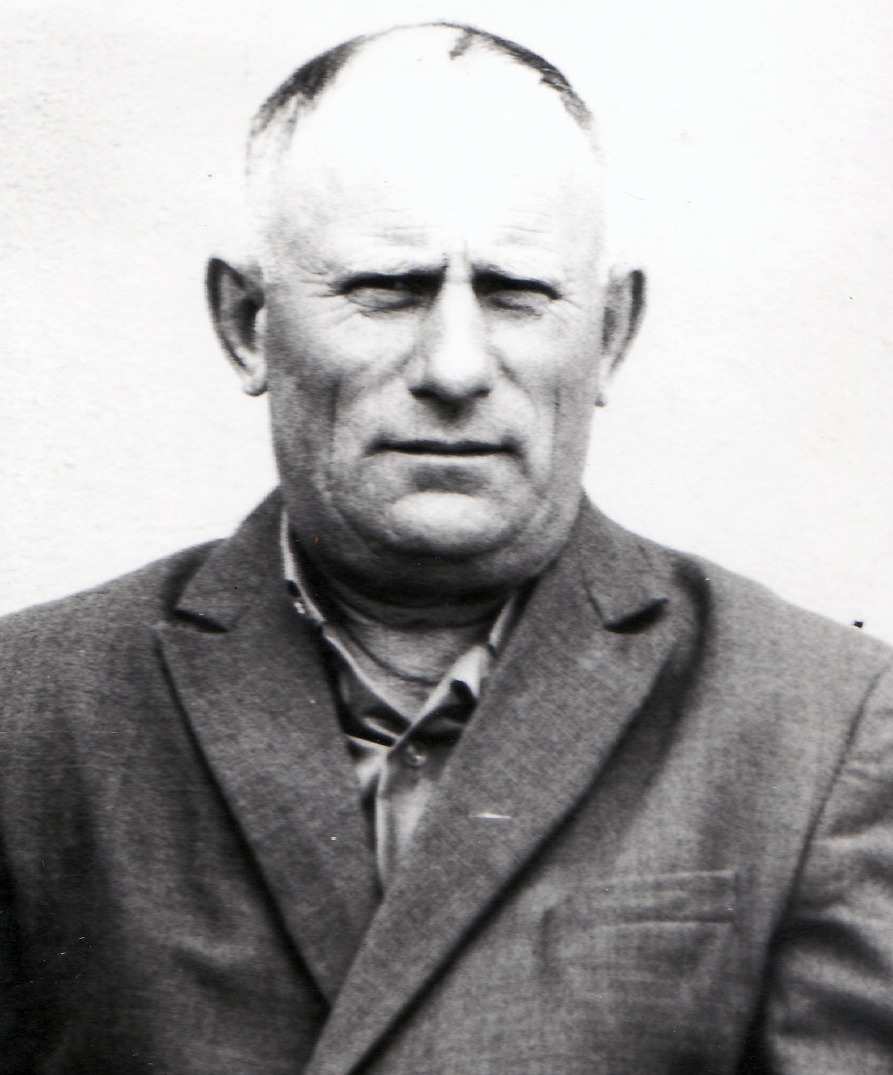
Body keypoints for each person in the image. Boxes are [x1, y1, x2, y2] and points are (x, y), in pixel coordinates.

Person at [1, 22, 891, 1075]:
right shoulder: (29, 710)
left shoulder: (819, 722)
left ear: (610, 332)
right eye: (387, 288)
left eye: (516, 292)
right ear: (246, 324)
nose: (456, 367)